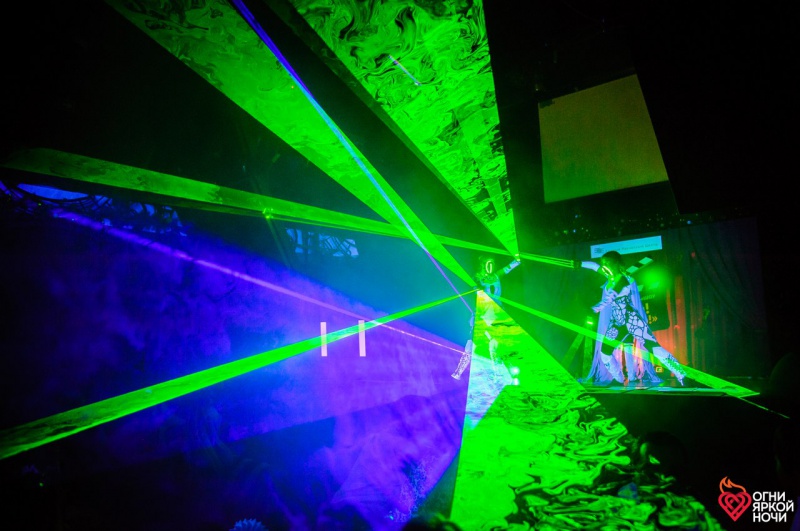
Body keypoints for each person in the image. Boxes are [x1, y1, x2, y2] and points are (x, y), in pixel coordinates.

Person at [577, 251, 686, 386]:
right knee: (605, 353)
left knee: (654, 348)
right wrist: (579, 264)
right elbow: (594, 266)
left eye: (608, 263)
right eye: (603, 263)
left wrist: (594, 309)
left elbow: (609, 298)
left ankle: (681, 374)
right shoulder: (610, 277)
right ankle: (618, 378)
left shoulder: (624, 279)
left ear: (616, 264)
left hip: (632, 320)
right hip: (617, 323)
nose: (604, 265)